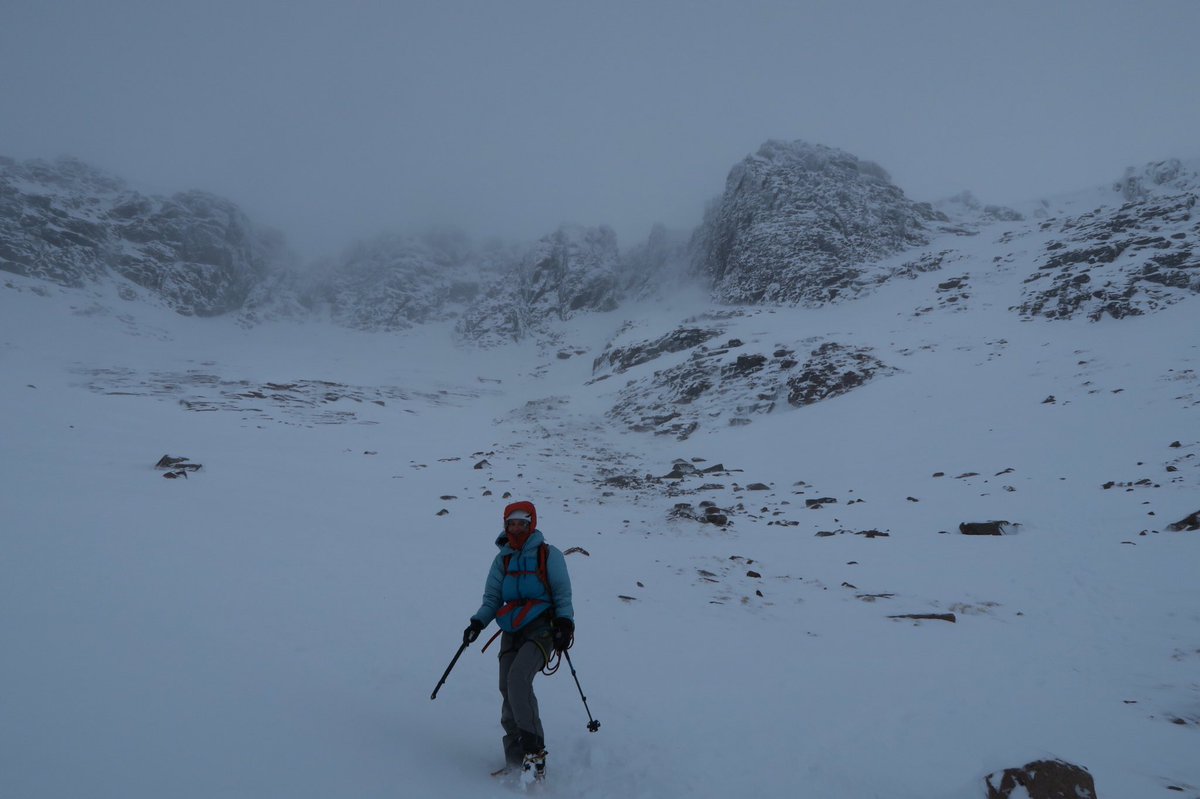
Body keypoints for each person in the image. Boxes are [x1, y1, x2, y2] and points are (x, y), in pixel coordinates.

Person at [464, 500, 575, 780]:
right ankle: (515, 757)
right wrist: (478, 622)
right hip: (512, 627)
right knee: (507, 685)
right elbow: (492, 598)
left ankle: (534, 752)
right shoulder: (502, 558)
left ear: (531, 524)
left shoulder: (549, 555)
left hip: (543, 626)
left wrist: (565, 624)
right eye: (511, 523)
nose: (516, 528)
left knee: (518, 679)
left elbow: (562, 594)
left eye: (521, 523)